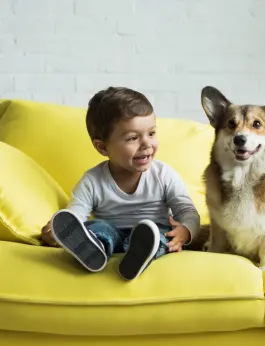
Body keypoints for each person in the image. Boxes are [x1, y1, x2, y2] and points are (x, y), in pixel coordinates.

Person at [41, 86, 200, 281]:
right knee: (97, 228)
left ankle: (138, 257)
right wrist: (59, 231)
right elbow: (77, 214)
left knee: (160, 236)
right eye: (133, 138)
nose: (146, 144)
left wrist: (186, 231)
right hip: (112, 234)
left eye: (151, 133)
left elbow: (187, 211)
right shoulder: (93, 180)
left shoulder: (164, 174)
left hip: (152, 231)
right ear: (102, 147)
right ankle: (94, 250)